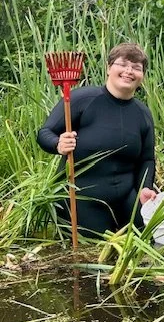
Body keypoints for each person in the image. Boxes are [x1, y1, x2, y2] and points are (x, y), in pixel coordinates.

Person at [37, 42, 157, 237]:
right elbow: (44, 133)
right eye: (123, 64)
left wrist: (145, 187)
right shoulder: (81, 99)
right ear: (109, 68)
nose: (129, 71)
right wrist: (58, 144)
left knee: (144, 248)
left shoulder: (143, 113)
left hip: (127, 197)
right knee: (93, 259)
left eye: (136, 67)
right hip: (82, 198)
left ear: (142, 75)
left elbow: (147, 158)